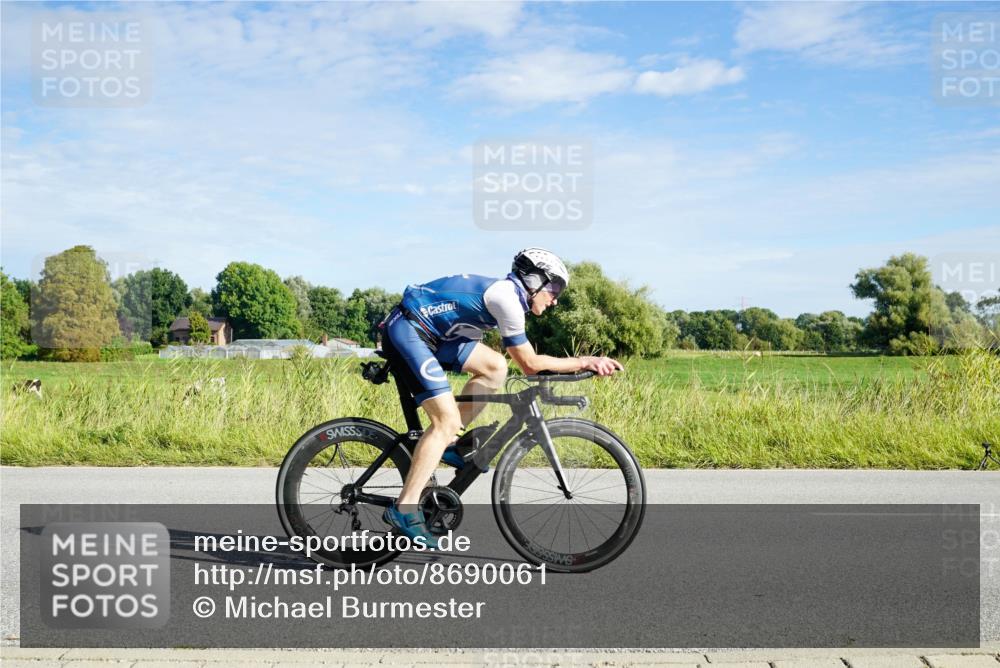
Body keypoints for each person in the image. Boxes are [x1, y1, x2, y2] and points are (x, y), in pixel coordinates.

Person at [380, 248, 623, 546]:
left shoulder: (511, 297)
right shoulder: (507, 299)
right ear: (534, 281)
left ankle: (450, 443)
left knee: (495, 367)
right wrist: (584, 362)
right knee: (444, 421)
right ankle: (405, 508)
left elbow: (519, 363)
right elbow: (530, 364)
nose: (555, 298)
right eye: (554, 288)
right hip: (409, 330)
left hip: (437, 334)